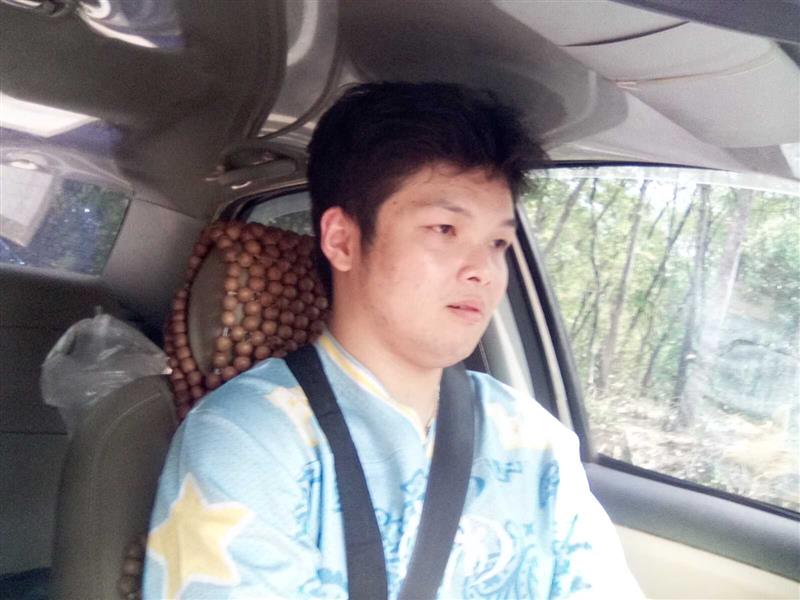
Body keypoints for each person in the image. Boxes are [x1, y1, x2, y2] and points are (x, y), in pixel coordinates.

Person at [143, 82, 642, 599]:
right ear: (342, 240)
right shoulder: (250, 441)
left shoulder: (535, 441)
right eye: (444, 229)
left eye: (498, 242)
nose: (484, 270)